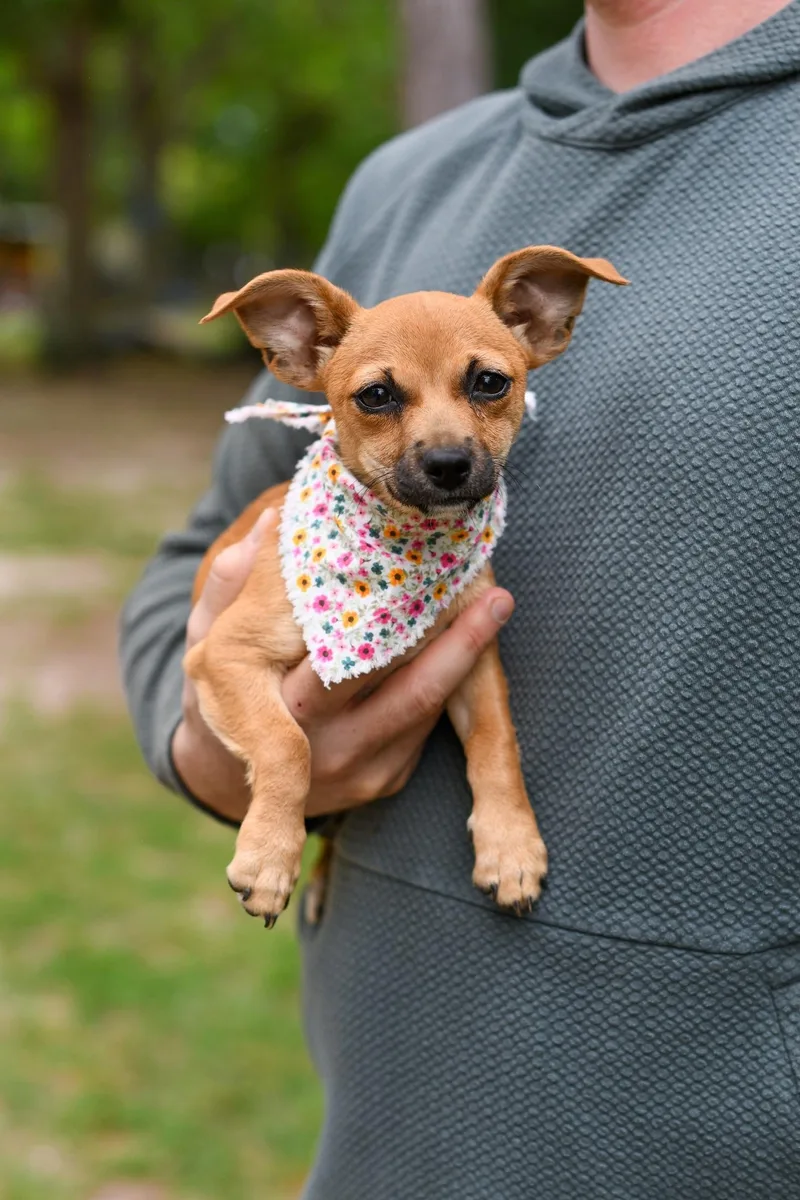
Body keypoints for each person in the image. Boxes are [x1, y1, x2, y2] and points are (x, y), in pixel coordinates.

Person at [120, 1, 800, 1195]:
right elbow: (190, 567)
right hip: (382, 1128)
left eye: (484, 391)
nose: (441, 443)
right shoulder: (401, 178)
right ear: (303, 361)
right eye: (380, 402)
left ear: (541, 324)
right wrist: (229, 762)